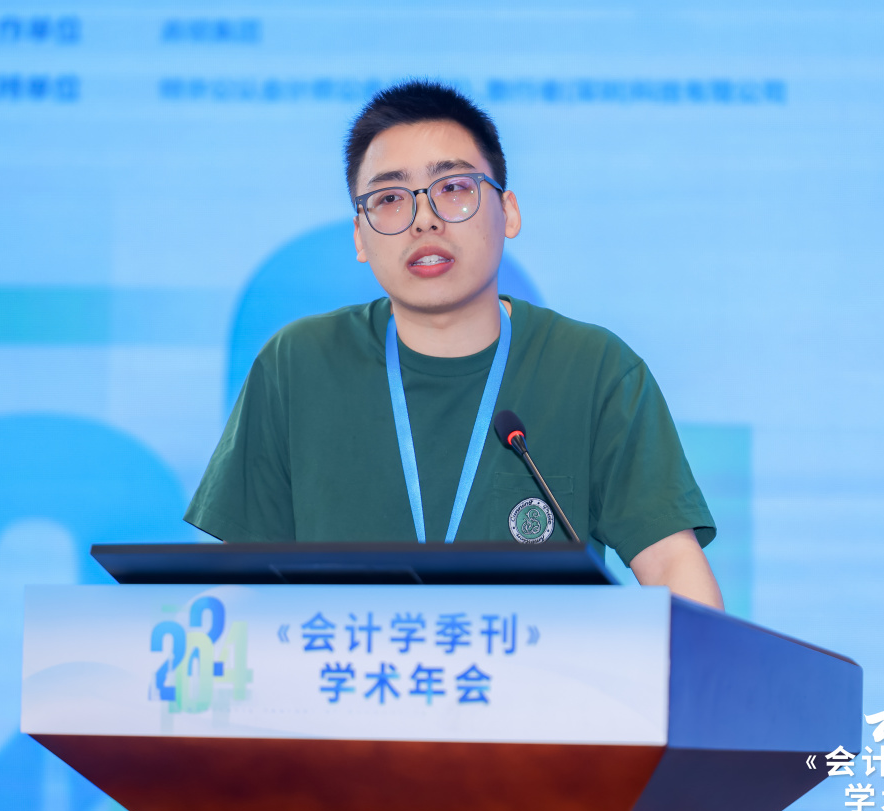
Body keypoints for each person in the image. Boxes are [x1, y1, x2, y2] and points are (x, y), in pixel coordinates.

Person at [186, 80, 724, 609]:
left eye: (454, 188)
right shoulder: (298, 365)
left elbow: (670, 565)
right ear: (359, 236)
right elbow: (242, 581)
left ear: (508, 212)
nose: (425, 219)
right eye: (390, 199)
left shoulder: (594, 369)